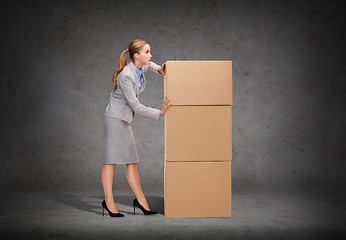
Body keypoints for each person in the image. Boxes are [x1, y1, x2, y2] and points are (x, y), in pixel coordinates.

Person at [101, 39, 171, 217]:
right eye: (147, 52)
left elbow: (149, 66)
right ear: (136, 56)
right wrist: (160, 112)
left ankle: (141, 202)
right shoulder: (126, 75)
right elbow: (136, 106)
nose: (151, 55)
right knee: (111, 161)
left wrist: (159, 69)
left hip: (123, 119)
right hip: (116, 119)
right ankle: (109, 202)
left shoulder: (138, 67)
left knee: (131, 160)